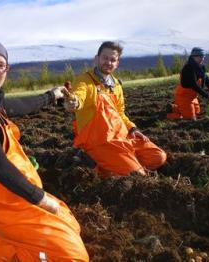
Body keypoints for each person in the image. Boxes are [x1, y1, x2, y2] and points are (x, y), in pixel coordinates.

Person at [0, 39, 88, 261]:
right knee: (73, 256)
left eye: (1, 65)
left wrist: (51, 96)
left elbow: (22, 105)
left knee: (71, 224)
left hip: (10, 190)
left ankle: (2, 238)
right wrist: (40, 198)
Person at [64, 41, 167, 176]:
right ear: (97, 59)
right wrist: (74, 102)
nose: (109, 62)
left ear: (117, 63)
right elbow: (79, 97)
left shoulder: (116, 85)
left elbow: (120, 113)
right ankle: (91, 161)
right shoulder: (84, 81)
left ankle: (124, 165)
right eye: (105, 58)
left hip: (122, 137)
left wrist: (132, 128)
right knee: (136, 174)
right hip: (98, 142)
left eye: (113, 60)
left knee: (158, 156)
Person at [167, 47, 209, 120]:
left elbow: (205, 77)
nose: (202, 59)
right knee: (190, 118)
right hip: (183, 97)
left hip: (193, 97)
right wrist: (207, 95)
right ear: (194, 57)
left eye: (203, 56)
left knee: (197, 113)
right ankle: (172, 111)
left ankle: (177, 108)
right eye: (200, 56)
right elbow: (193, 85)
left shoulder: (200, 66)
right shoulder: (188, 68)